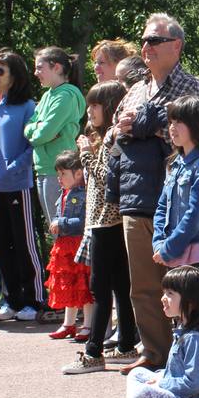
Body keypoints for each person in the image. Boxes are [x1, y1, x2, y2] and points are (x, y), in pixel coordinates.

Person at [105, 13, 199, 374]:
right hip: (137, 198)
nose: (145, 47)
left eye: (154, 41)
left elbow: (197, 142)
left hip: (176, 198)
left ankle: (189, 356)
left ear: (176, 46)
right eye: (144, 40)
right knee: (144, 284)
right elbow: (114, 135)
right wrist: (125, 129)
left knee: (183, 281)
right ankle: (153, 352)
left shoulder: (192, 88)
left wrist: (150, 128)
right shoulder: (134, 89)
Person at [63, 81, 137, 374]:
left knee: (101, 286)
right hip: (103, 221)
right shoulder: (108, 137)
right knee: (118, 285)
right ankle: (127, 344)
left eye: (94, 105)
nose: (89, 112)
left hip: (108, 221)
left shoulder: (112, 138)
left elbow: (107, 178)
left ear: (107, 107)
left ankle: (94, 351)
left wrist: (84, 153)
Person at [106, 265, 199, 398]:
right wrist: (161, 378)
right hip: (182, 396)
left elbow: (194, 384)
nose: (163, 298)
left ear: (191, 302)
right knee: (137, 374)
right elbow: (177, 372)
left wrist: (161, 383)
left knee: (143, 393)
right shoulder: (183, 331)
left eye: (170, 294)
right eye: (164, 293)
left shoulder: (197, 339)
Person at [0, 50, 45, 321]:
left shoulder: (28, 106)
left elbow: (34, 144)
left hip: (18, 184)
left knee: (24, 243)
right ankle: (10, 298)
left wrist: (16, 166)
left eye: (0, 71)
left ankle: (34, 299)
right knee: (1, 243)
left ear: (14, 76)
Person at [152, 97, 199, 274]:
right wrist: (159, 243)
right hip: (173, 251)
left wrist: (168, 248)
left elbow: (195, 216)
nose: (172, 127)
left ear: (197, 125)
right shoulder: (174, 163)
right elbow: (162, 206)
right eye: (171, 122)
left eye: (179, 122)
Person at [25, 46, 87, 236]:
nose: (36, 73)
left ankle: (69, 267)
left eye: (39, 67)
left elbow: (42, 133)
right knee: (54, 229)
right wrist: (38, 130)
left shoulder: (66, 95)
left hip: (60, 171)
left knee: (62, 229)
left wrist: (39, 131)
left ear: (57, 68)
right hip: (43, 168)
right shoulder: (47, 96)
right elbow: (29, 129)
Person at [45, 151, 92, 340]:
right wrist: (57, 222)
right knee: (68, 284)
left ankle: (88, 325)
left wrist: (61, 224)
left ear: (79, 173)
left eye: (63, 173)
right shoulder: (64, 193)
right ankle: (68, 324)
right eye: (59, 174)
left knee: (83, 284)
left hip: (78, 244)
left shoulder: (83, 194)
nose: (59, 178)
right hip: (63, 246)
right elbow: (59, 213)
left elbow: (82, 221)